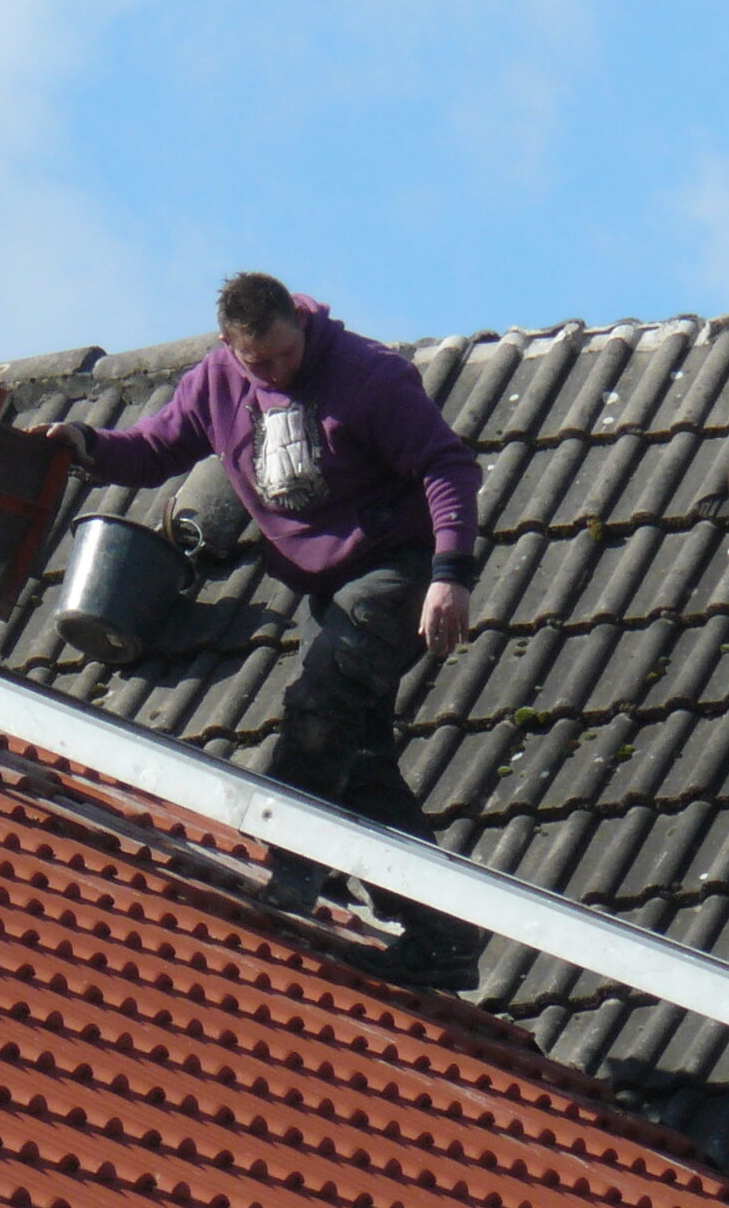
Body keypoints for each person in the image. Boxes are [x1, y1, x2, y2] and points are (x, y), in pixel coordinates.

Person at [38, 272, 487, 990]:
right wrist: (86, 444)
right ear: (231, 346)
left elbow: (448, 466)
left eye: (286, 354)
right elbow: (156, 449)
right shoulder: (217, 384)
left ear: (301, 326)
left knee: (320, 706)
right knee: (357, 757)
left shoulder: (369, 376)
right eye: (260, 362)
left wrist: (451, 573)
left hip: (399, 567)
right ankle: (442, 932)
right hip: (327, 588)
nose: (277, 371)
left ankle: (294, 861)